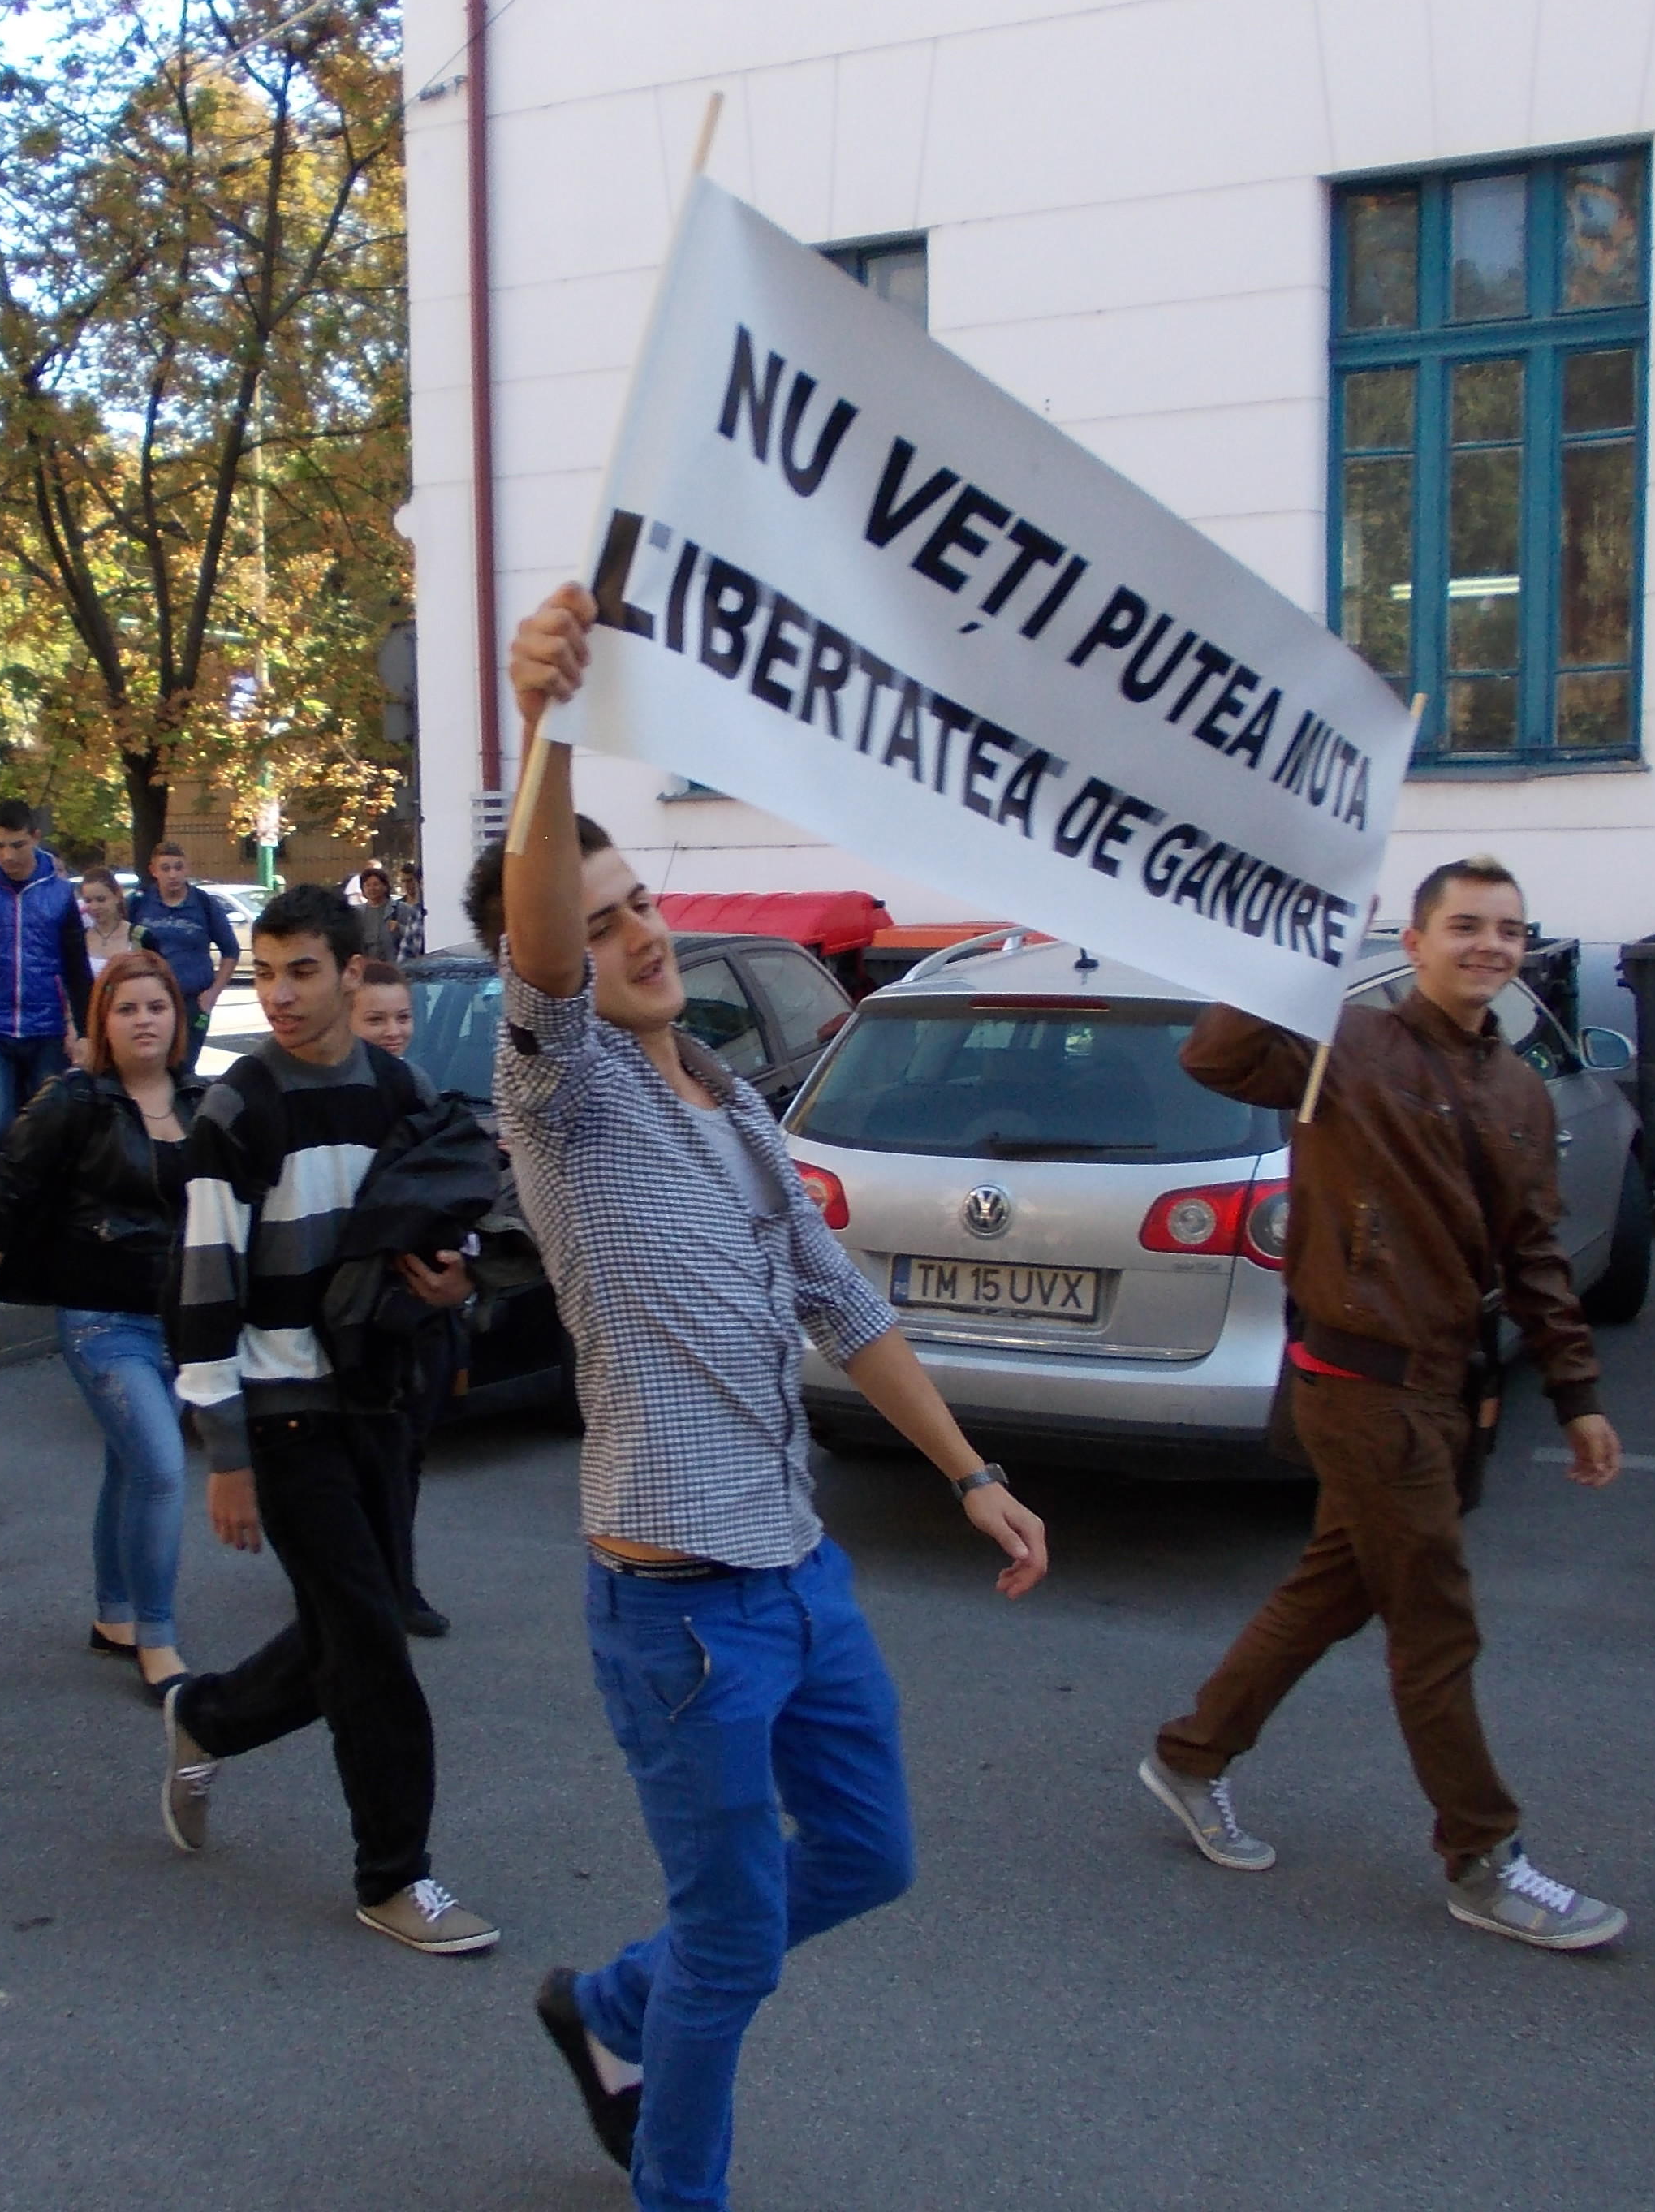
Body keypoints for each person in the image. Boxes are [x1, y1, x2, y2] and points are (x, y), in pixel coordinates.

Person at [496, 586, 1048, 2207]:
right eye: (601, 919)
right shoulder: (564, 1101)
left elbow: (845, 1304)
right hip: (678, 1611)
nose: (638, 934)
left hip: (801, 1577)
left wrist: (970, 1474)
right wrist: (546, 727)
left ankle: (613, 2004)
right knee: (733, 1946)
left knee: (869, 1856)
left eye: (642, 903)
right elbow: (538, 954)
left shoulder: (732, 1107)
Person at [1139, 852, 1628, 1951]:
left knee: (1337, 1588)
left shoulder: (1516, 1087)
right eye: (1466, 926)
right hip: (1360, 1385)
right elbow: (1213, 1055)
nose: (1490, 945)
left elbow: (1533, 1253)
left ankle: (1190, 1755)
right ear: (1413, 943)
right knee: (1436, 1624)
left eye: (1508, 929)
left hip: (1448, 1388)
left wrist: (1577, 1392)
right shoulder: (1344, 1044)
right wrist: (1298, 949)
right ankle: (1482, 1859)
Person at [156, 884, 496, 1956]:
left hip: (381, 1393)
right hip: (285, 1412)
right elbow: (203, 1283)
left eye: (303, 971)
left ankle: (207, 1716)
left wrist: (457, 1281)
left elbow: (451, 1219)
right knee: (372, 1648)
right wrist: (225, 1451)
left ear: (353, 973)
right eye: (266, 974)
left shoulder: (400, 1090)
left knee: (355, 1627)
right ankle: (395, 1877)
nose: (282, 995)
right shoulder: (238, 1107)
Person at [0, 950, 208, 1701]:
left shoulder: (202, 1099)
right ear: (103, 1022)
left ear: (178, 1018)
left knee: (129, 1466)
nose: (143, 1021)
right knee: (162, 1469)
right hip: (102, 1324)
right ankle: (158, 1639)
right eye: (126, 1009)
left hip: (180, 1324)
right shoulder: (73, 1100)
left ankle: (114, 1615)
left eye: (156, 1007)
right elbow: (6, 1198)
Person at [351, 956, 450, 1637]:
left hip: (409, 1297)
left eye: (404, 1018)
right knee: (361, 1451)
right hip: (351, 1299)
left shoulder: (418, 1086)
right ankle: (364, 1579)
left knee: (406, 1446)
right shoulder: (335, 1091)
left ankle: (396, 1579)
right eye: (377, 1019)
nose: (394, 1031)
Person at [0, 797, 93, 1211]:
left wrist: (86, 1032)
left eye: (17, 845)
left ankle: (43, 1218)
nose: (8, 856)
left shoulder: (60, 894)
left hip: (46, 1027)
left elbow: (77, 967)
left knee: (46, 1127)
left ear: (35, 838)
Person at [125, 840, 241, 1065]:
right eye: (165, 868)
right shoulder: (139, 903)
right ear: (153, 871)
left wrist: (213, 994)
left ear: (187, 868)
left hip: (193, 1002)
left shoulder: (204, 904)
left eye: (178, 867)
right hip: (150, 1001)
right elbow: (119, 939)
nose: (173, 875)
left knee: (184, 1066)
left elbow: (231, 951)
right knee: (152, 1063)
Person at [78, 864, 131, 984]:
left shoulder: (140, 937)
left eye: (101, 899)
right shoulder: (80, 939)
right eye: (88, 901)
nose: (94, 907)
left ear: (117, 896)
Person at [351, 865, 402, 964]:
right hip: (367, 966)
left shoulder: (400, 908)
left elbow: (415, 936)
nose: (372, 888)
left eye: (376, 884)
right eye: (367, 885)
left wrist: (400, 928)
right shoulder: (356, 912)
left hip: (395, 965)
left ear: (385, 886)